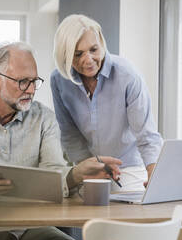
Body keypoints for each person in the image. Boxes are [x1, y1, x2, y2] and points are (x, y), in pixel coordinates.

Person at [0, 41, 121, 240]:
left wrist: (76, 174)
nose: (31, 90)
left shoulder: (45, 118)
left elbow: (53, 172)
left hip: (28, 228)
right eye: (23, 81)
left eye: (34, 81)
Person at [50, 14, 163, 192]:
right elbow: (70, 134)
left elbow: (147, 136)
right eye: (78, 54)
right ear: (65, 55)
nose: (88, 60)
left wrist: (154, 177)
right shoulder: (59, 80)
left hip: (129, 167)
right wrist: (87, 167)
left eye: (94, 49)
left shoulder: (127, 75)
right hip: (90, 167)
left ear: (101, 44)